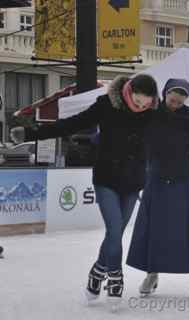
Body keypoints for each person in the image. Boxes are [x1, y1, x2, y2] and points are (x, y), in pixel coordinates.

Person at [10, 74, 159, 301]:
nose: (140, 107)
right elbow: (72, 124)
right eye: (137, 102)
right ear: (129, 91)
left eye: (145, 104)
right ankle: (115, 276)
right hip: (106, 178)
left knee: (115, 234)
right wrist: (31, 133)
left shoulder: (152, 115)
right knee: (115, 230)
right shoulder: (106, 105)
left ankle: (97, 270)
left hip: (133, 181)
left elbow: (174, 129)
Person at [126, 79, 189, 297]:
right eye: (172, 98)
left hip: (184, 177)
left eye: (180, 99)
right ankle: (151, 272)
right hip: (157, 177)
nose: (176, 102)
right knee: (152, 226)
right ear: (165, 94)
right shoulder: (152, 111)